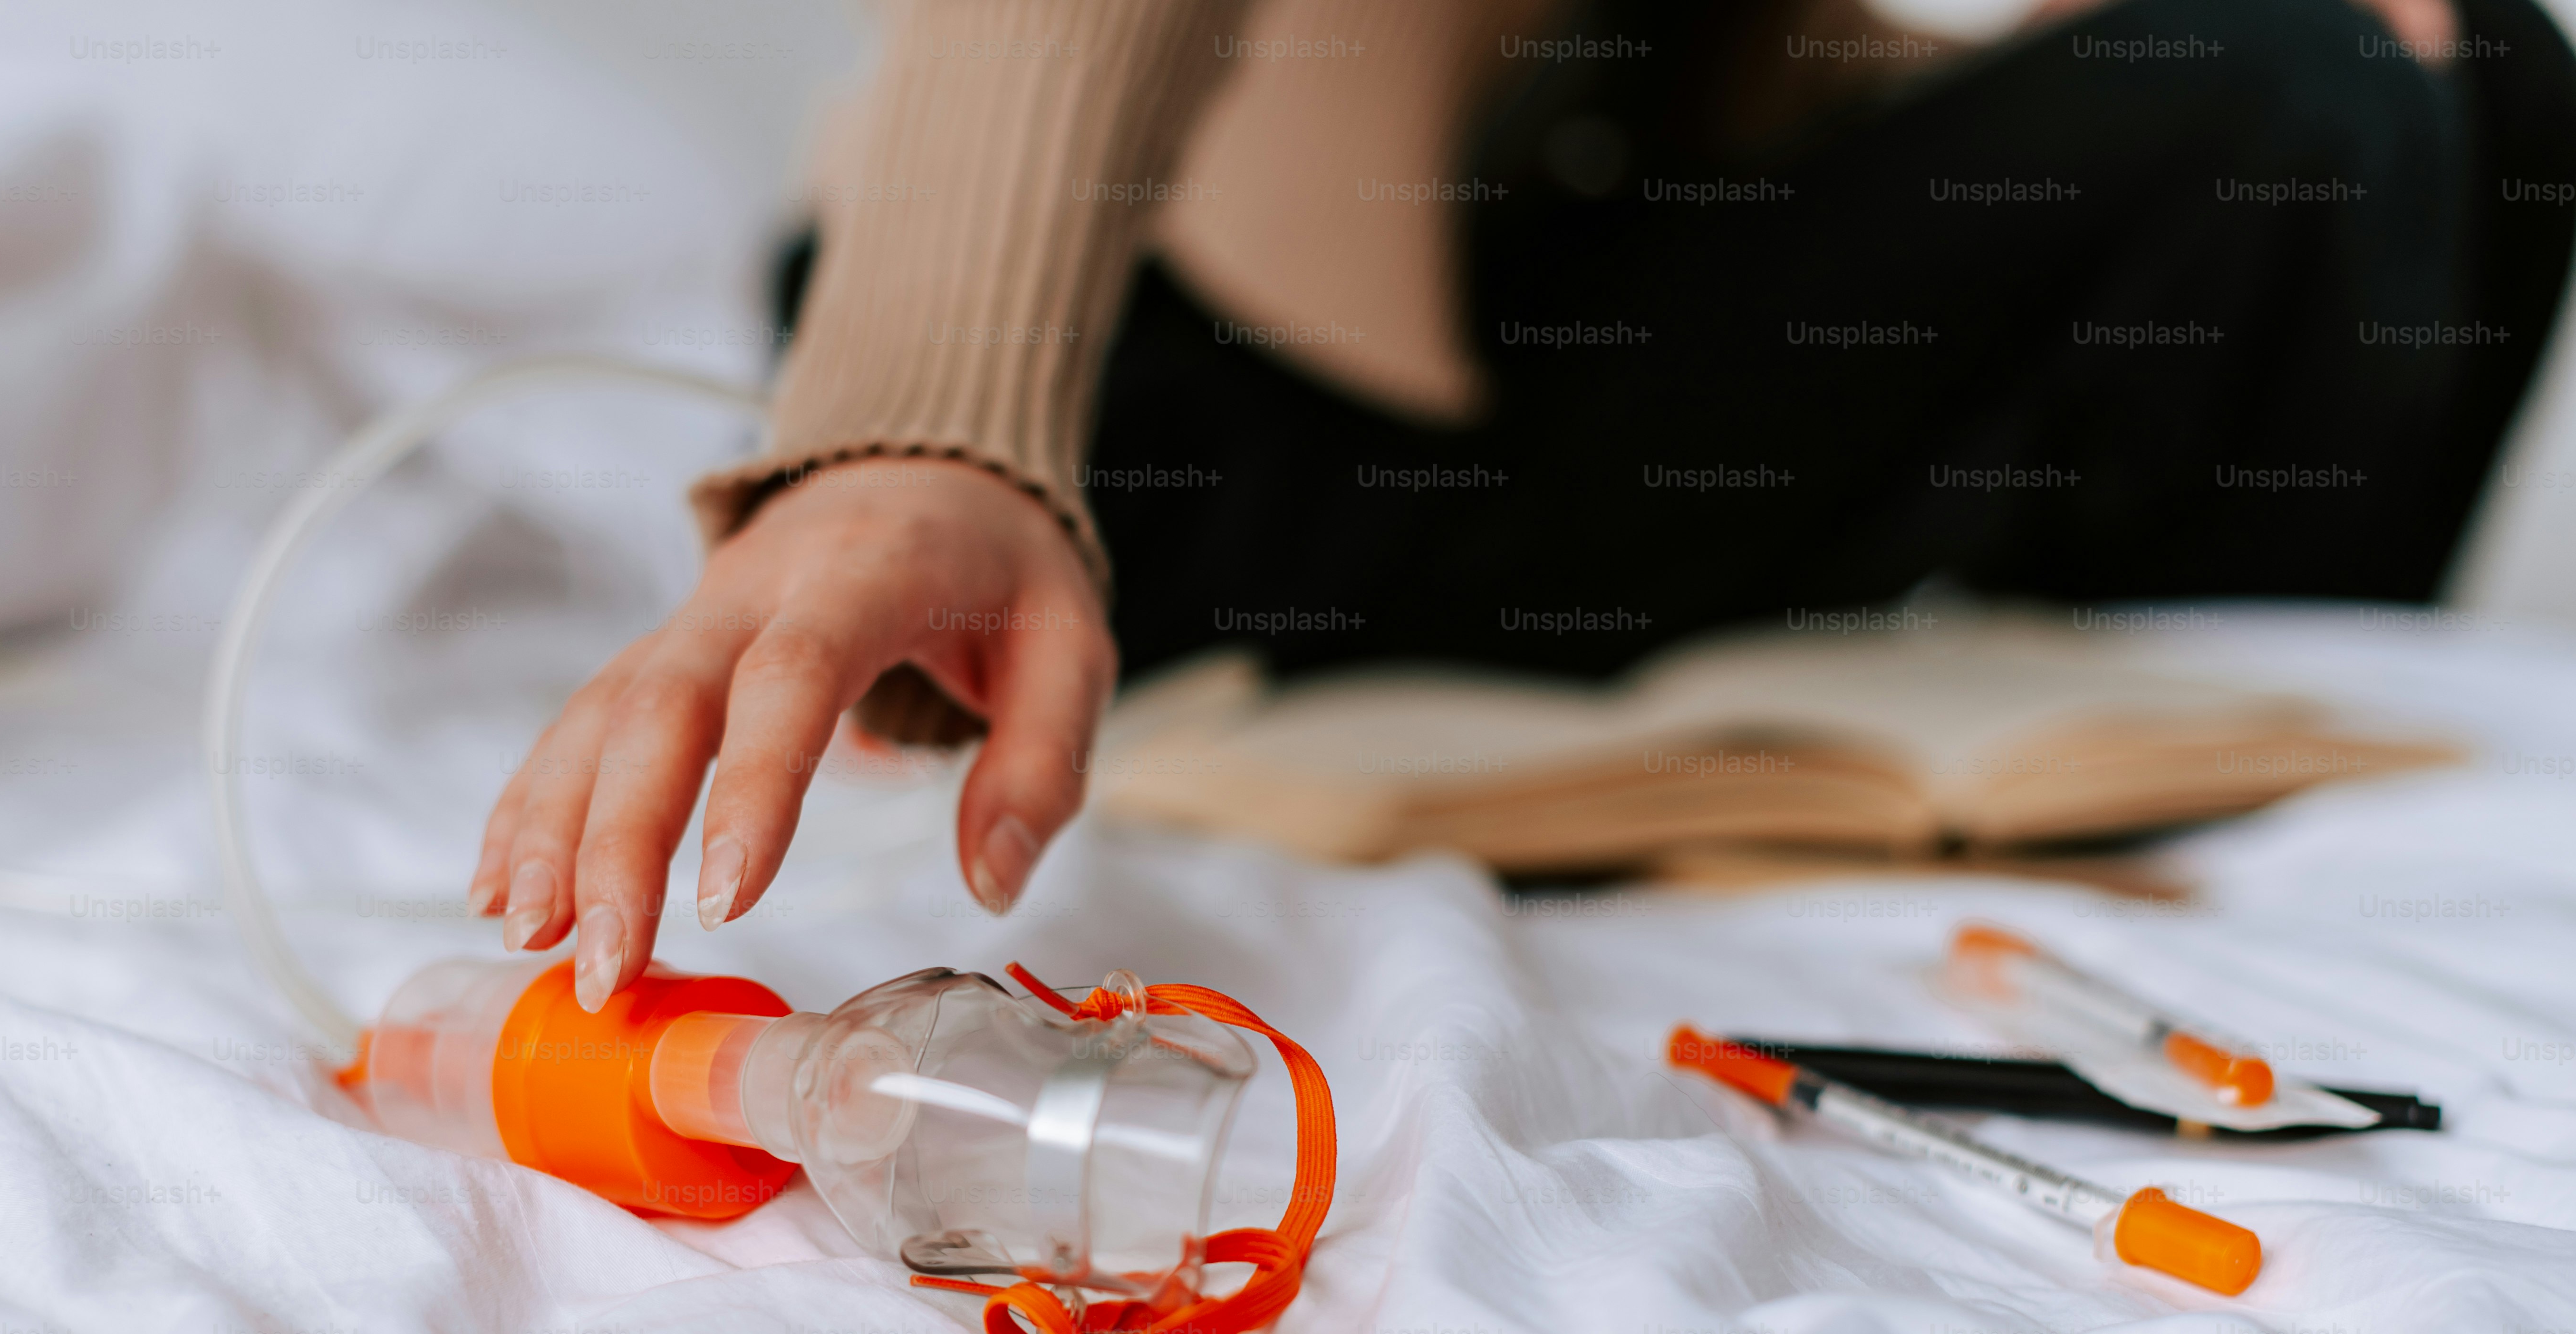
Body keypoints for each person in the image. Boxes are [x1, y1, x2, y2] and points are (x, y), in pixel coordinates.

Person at [470, 0, 2576, 1013]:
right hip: (1155, 391)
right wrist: (920, 425)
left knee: (2477, 70)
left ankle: (2252, 766)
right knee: (2300, 84)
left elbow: (1725, 84)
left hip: (1491, 386)